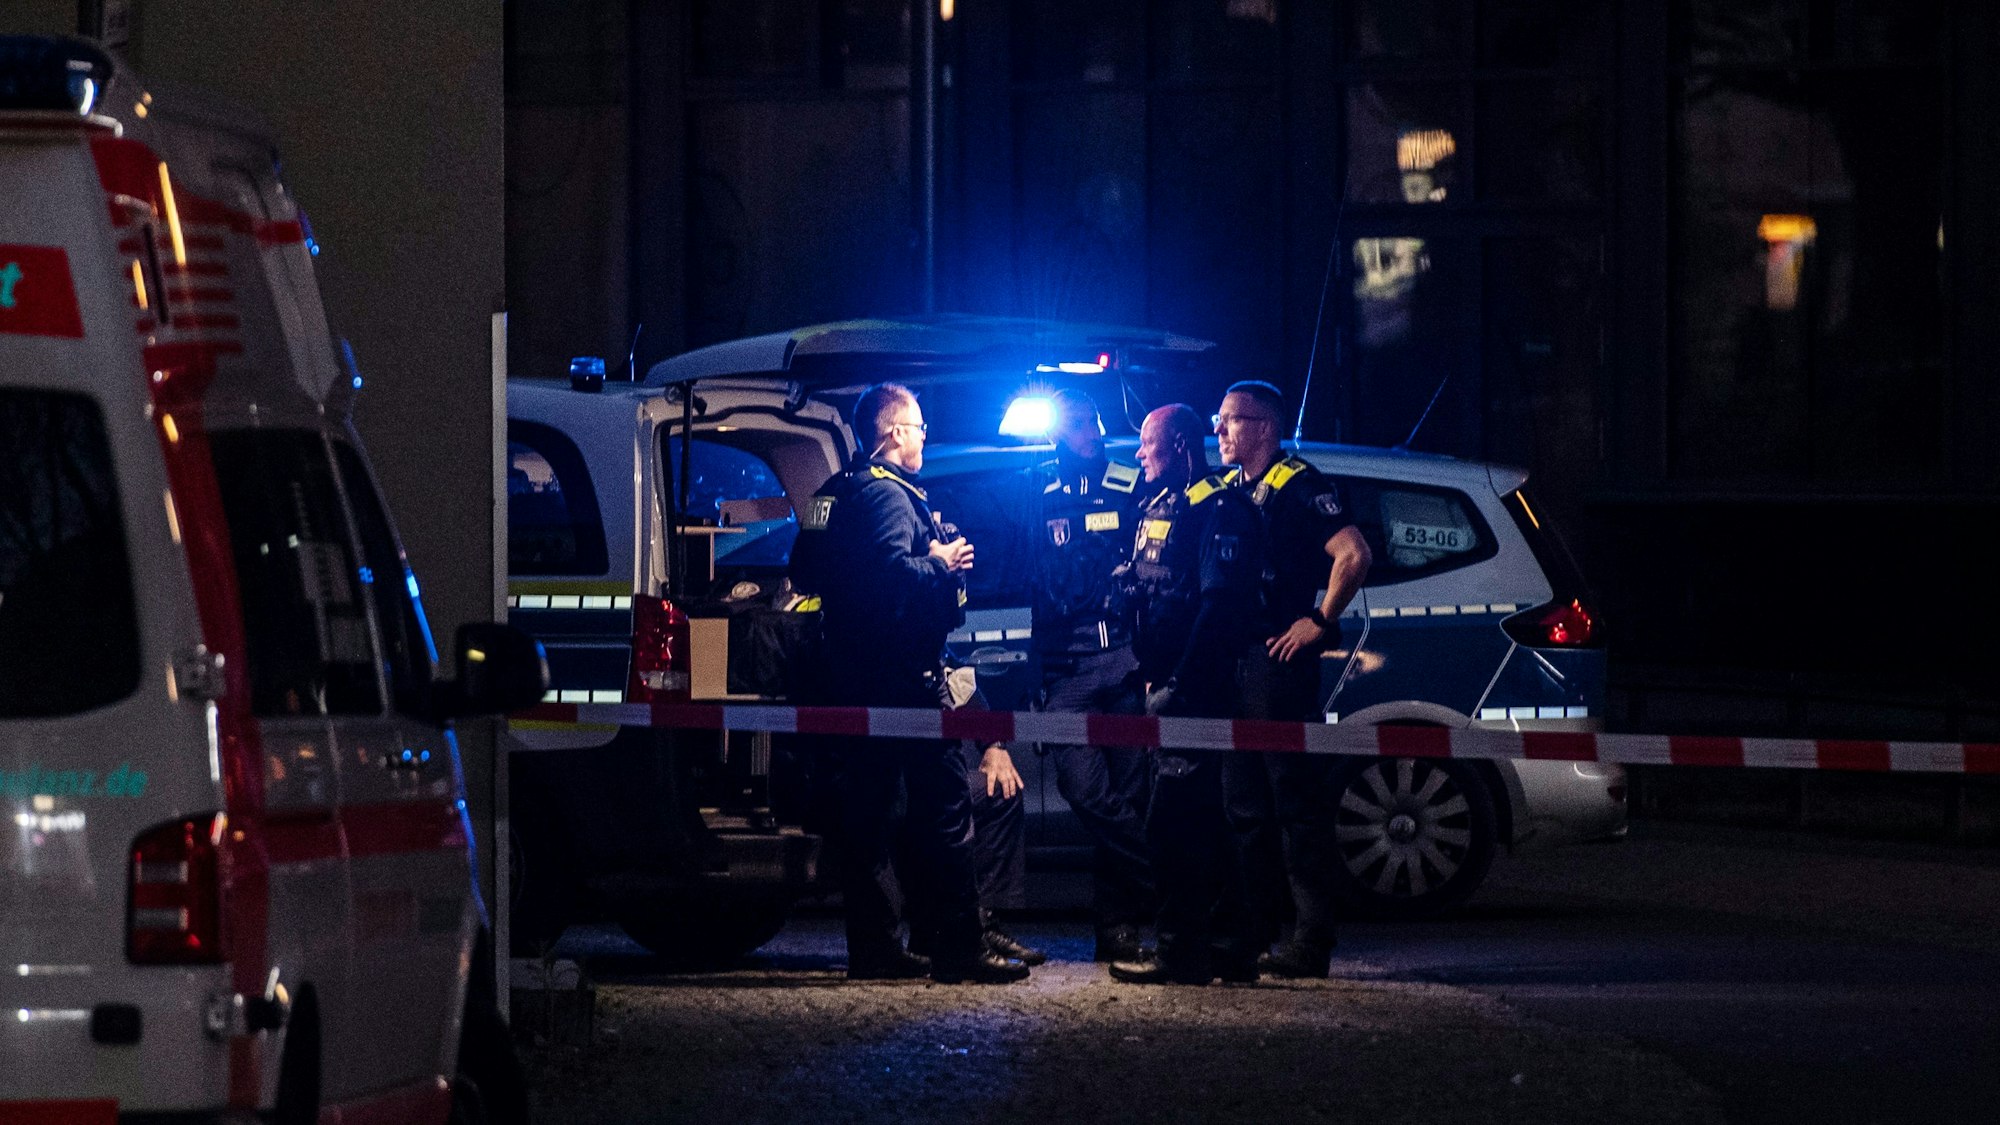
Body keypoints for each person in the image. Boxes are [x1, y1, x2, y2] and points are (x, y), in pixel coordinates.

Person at [794, 383, 1030, 984]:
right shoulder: (890, 497)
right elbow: (890, 579)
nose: (925, 435)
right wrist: (943, 562)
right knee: (946, 814)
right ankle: (958, 951)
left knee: (870, 820)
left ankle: (874, 950)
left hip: (853, 676)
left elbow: (803, 568)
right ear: (893, 431)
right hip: (902, 678)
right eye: (918, 426)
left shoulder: (835, 491)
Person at [1212, 380, 1372, 979]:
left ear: (1263, 428)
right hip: (1234, 663)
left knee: (1292, 806)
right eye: (1218, 420)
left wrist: (1319, 620)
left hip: (1275, 665)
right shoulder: (1230, 488)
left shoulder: (1301, 484)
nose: (1220, 430)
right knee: (1243, 808)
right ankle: (1255, 933)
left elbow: (1353, 553)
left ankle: (1311, 941)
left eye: (1230, 420)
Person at [1104, 405, 1266, 986]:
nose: (1140, 456)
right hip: (1165, 681)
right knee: (1201, 819)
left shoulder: (1216, 508)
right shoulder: (1157, 506)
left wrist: (1180, 685)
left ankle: (1182, 951)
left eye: (1148, 446)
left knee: (1173, 822)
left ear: (1178, 445)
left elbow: (1217, 608)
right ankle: (1226, 946)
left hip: (1198, 690)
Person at [1015, 388, 1154, 963]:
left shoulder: (1129, 480)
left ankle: (1116, 932)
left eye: (1093, 418)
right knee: (1087, 793)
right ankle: (1160, 871)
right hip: (1065, 671)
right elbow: (1016, 573)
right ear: (1055, 434)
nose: (1091, 429)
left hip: (1122, 663)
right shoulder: (1032, 488)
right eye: (1078, 421)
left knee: (1127, 793)